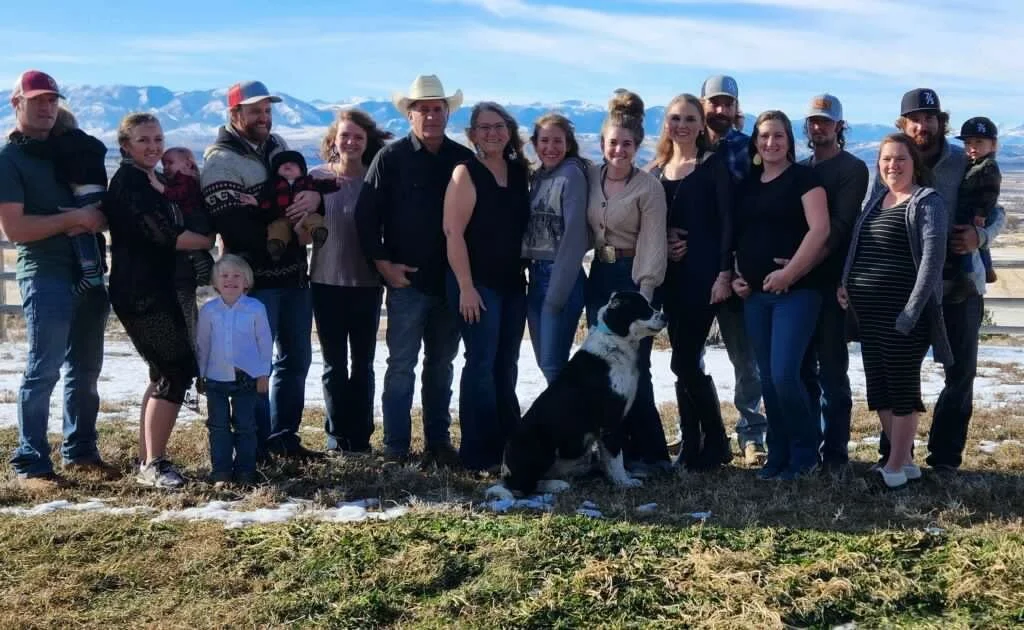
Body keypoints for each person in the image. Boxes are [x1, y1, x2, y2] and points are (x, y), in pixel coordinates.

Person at [877, 88, 1006, 472]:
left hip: (959, 286)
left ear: (940, 122)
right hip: (909, 286)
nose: (923, 125)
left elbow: (993, 208)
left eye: (930, 118)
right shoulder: (895, 159)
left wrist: (979, 238)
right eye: (915, 118)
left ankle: (946, 458)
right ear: (904, 124)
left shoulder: (962, 159)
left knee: (960, 374)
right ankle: (897, 455)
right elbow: (874, 209)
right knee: (900, 371)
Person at [0, 70, 112, 489]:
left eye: (52, 100)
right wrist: (75, 219)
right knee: (43, 369)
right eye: (37, 101)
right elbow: (16, 230)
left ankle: (80, 451)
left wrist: (96, 215)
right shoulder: (9, 161)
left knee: (85, 369)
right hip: (45, 271)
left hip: (87, 270)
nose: (46, 108)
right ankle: (31, 463)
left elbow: (96, 205)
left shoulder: (70, 150)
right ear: (17, 104)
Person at [354, 74, 473, 466]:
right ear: (410, 114)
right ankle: (396, 446)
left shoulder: (462, 159)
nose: (432, 115)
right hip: (407, 281)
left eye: (438, 109)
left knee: (441, 365)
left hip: (451, 282)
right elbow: (366, 216)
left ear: (447, 113)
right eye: (424, 109)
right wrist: (383, 264)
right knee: (401, 366)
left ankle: (438, 442)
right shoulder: (390, 158)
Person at [201, 80, 322, 462]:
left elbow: (298, 187)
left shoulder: (279, 148)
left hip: (293, 276)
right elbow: (233, 224)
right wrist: (285, 228)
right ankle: (255, 440)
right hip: (253, 280)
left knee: (296, 359)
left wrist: (309, 199)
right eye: (255, 111)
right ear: (235, 114)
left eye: (267, 110)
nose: (264, 117)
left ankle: (284, 435)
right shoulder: (220, 160)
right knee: (256, 362)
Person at [105, 112, 213, 488]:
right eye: (143, 140)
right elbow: (165, 235)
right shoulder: (129, 183)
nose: (152, 147)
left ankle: (148, 459)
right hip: (140, 291)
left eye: (157, 139)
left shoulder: (156, 179)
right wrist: (206, 240)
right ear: (125, 146)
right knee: (176, 369)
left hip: (160, 286)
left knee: (164, 369)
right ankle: (154, 463)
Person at [840, 134, 951, 488]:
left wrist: (912, 311)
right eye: (886, 159)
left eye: (900, 158)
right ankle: (903, 462)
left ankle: (895, 467)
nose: (893, 165)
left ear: (914, 163)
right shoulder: (876, 202)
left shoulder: (926, 202)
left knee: (902, 390)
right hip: (869, 317)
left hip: (903, 316)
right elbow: (858, 249)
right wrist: (846, 286)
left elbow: (932, 262)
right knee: (880, 390)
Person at [731, 110, 830, 481]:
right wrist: (738, 274)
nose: (770, 143)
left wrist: (790, 273)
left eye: (778, 136)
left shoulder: (805, 178)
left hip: (797, 292)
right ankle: (779, 454)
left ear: (789, 140)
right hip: (756, 296)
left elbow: (819, 231)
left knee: (787, 374)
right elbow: (741, 236)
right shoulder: (750, 184)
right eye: (764, 136)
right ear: (755, 142)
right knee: (768, 379)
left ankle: (806, 455)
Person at [646, 93, 734, 471]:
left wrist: (724, 273)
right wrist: (665, 237)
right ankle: (693, 441)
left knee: (684, 361)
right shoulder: (656, 169)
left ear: (701, 125)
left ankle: (714, 441)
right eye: (674, 118)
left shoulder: (714, 167)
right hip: (668, 277)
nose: (681, 125)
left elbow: (728, 223)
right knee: (682, 360)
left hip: (702, 276)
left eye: (689, 118)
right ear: (666, 124)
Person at [585, 89, 670, 475]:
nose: (619, 150)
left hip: (631, 277)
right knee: (602, 367)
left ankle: (649, 452)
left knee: (637, 368)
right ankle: (607, 448)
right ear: (602, 144)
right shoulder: (591, 177)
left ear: (637, 146)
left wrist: (645, 298)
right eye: (613, 143)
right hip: (598, 276)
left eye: (627, 144)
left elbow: (653, 244)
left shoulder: (648, 187)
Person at [444, 102, 531, 472]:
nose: (492, 132)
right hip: (476, 285)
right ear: (473, 134)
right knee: (480, 363)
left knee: (505, 364)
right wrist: (465, 286)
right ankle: (478, 453)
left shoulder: (518, 171)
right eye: (484, 127)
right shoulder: (466, 173)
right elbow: (453, 232)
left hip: (513, 283)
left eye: (499, 126)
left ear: (509, 131)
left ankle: (507, 444)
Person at [308, 110, 393, 456]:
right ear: (333, 141)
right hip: (325, 283)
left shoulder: (376, 182)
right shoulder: (315, 179)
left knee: (363, 363)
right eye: (345, 136)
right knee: (333, 365)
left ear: (367, 142)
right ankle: (335, 435)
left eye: (358, 137)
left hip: (367, 285)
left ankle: (360, 438)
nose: (351, 142)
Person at [798, 94, 869, 475]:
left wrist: (799, 265)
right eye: (813, 121)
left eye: (825, 121)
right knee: (802, 369)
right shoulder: (801, 167)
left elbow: (839, 229)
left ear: (839, 126)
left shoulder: (852, 169)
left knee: (832, 373)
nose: (818, 127)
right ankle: (809, 446)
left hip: (830, 283)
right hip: (798, 284)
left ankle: (837, 455)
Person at [699, 75, 767, 463]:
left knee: (745, 357)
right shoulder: (685, 145)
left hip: (736, 266)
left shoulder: (748, 149)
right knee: (689, 358)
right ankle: (700, 430)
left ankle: (752, 432)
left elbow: (759, 208)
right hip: (690, 268)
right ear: (703, 103)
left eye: (728, 104)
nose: (721, 110)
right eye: (714, 103)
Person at [522, 113, 590, 384]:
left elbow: (574, 236)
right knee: (546, 362)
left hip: (562, 277)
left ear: (569, 143)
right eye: (544, 141)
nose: (551, 147)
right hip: (537, 276)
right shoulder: (538, 177)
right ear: (535, 144)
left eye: (557, 141)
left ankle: (570, 423)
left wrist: (556, 294)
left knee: (553, 364)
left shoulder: (572, 174)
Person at [197, 255, 272, 485]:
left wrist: (263, 374)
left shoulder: (255, 308)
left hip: (247, 378)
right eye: (225, 276)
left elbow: (265, 342)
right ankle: (221, 471)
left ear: (246, 281)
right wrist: (200, 375)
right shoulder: (209, 311)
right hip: (216, 378)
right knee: (218, 426)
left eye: (237, 276)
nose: (231, 280)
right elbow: (203, 344)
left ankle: (245, 471)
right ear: (216, 282)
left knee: (246, 426)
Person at [49, 107, 108, 295]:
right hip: (100, 190)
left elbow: (59, 167)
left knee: (80, 231)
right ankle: (99, 267)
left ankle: (90, 273)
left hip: (84, 193)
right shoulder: (90, 144)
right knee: (93, 232)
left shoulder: (62, 144)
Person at [239, 150, 337, 261]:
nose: (288, 165)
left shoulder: (307, 182)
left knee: (315, 219)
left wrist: (335, 183)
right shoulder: (273, 185)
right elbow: (266, 201)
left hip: (305, 215)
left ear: (302, 170)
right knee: (276, 227)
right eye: (283, 164)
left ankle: (318, 233)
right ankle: (276, 246)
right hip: (282, 216)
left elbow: (322, 185)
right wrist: (257, 203)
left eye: (293, 164)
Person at [946, 117, 1001, 300]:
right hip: (970, 212)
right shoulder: (972, 164)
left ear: (992, 145)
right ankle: (987, 270)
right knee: (976, 246)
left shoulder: (988, 166)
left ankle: (967, 280)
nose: (972, 147)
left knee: (966, 247)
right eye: (968, 143)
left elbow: (990, 193)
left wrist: (981, 213)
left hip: (974, 214)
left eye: (979, 142)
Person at [149, 147, 213, 286]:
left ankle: (204, 267)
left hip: (194, 219)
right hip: (195, 220)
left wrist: (159, 187)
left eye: (170, 163)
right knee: (194, 248)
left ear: (188, 164)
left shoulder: (186, 179)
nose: (165, 167)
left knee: (193, 244)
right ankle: (202, 265)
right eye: (163, 164)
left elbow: (178, 195)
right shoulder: (183, 178)